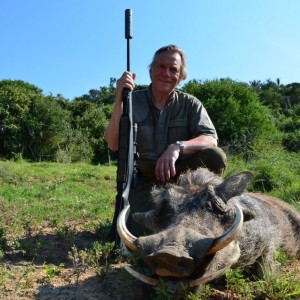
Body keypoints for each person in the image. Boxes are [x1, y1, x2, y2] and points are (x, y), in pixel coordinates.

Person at [105, 45, 227, 236]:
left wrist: (178, 147)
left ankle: (206, 213)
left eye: (173, 69)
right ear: (151, 70)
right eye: (161, 66)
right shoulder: (131, 100)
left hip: (184, 182)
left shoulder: (191, 103)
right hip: (145, 182)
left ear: (180, 76)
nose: (166, 73)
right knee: (137, 234)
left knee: (214, 156)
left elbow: (211, 139)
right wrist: (119, 98)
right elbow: (113, 143)